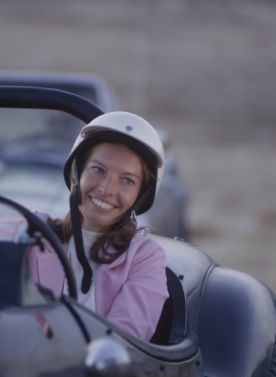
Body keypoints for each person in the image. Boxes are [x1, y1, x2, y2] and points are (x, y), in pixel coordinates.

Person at [27, 111, 169, 341]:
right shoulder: (33, 230)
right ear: (77, 172)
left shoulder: (144, 258)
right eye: (98, 169)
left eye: (127, 180)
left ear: (140, 195)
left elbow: (123, 341)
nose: (106, 188)